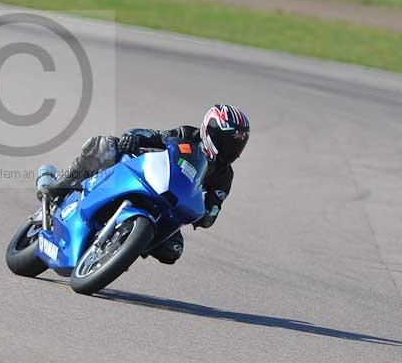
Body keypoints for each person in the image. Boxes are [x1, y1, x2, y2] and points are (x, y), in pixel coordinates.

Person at [37, 104, 250, 264]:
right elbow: (155, 136)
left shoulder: (224, 175)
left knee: (173, 250)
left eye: (238, 144)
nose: (232, 149)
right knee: (104, 146)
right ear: (210, 131)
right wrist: (133, 137)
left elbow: (214, 207)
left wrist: (207, 215)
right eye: (228, 142)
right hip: (144, 174)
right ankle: (60, 187)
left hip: (169, 204)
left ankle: (121, 247)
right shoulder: (188, 135)